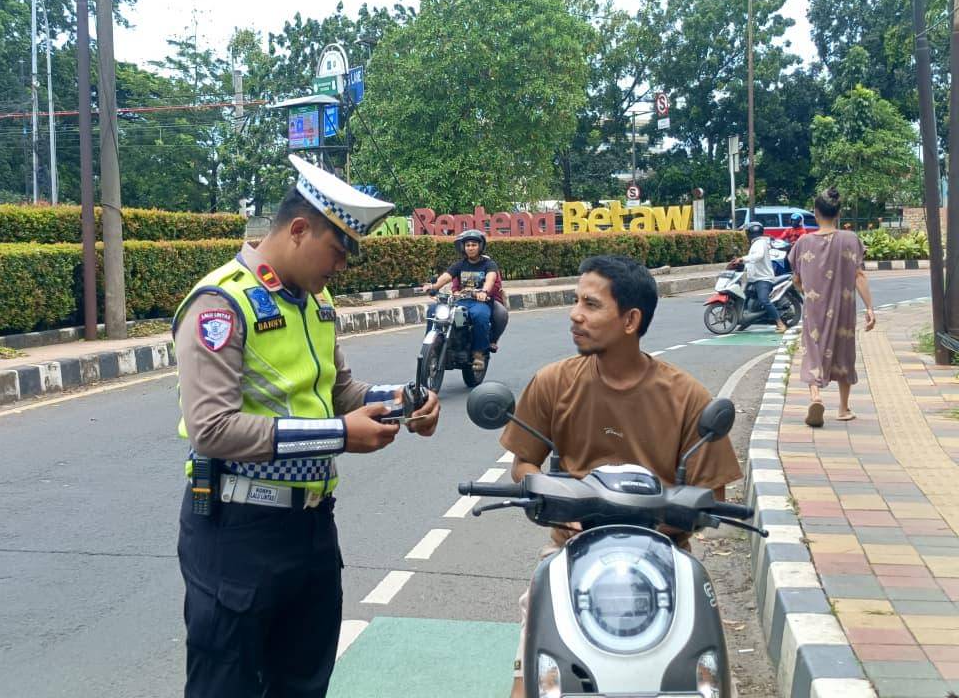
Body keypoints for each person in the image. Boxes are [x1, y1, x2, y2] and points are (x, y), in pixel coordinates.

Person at [173, 154, 441, 698]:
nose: (340, 267)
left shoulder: (316, 304)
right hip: (237, 527)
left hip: (313, 529)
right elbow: (213, 429)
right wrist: (341, 435)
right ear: (298, 229)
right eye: (337, 251)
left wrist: (403, 401)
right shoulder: (220, 303)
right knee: (227, 686)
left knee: (304, 684)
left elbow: (339, 391)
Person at [500, 254, 742, 698]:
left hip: (666, 565)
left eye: (591, 305)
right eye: (576, 301)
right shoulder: (553, 383)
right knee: (530, 681)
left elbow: (712, 492)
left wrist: (661, 519)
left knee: (704, 679)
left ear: (630, 320)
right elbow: (524, 463)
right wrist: (555, 504)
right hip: (569, 557)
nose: (575, 314)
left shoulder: (688, 397)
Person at [787, 188, 875, 427]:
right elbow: (859, 275)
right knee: (844, 351)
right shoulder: (851, 240)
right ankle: (844, 408)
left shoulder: (803, 243)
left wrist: (806, 290)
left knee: (814, 348)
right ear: (838, 213)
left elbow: (797, 280)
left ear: (815, 213)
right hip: (844, 308)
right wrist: (869, 308)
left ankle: (816, 396)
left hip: (815, 308)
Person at [422, 228, 502, 369]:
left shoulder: (489, 264)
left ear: (480, 246)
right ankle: (432, 346)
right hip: (460, 301)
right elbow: (446, 277)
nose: (470, 248)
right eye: (468, 245)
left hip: (479, 302)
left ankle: (478, 353)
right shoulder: (459, 264)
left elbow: (490, 279)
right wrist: (433, 287)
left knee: (480, 316)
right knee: (434, 310)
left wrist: (484, 291)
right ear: (463, 247)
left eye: (474, 245)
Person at [738, 221, 788, 333]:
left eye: (747, 232)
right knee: (745, 299)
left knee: (764, 300)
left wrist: (743, 258)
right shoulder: (756, 243)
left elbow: (758, 256)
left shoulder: (760, 243)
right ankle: (744, 322)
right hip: (754, 278)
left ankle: (780, 324)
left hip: (763, 279)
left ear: (752, 232)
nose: (746, 234)